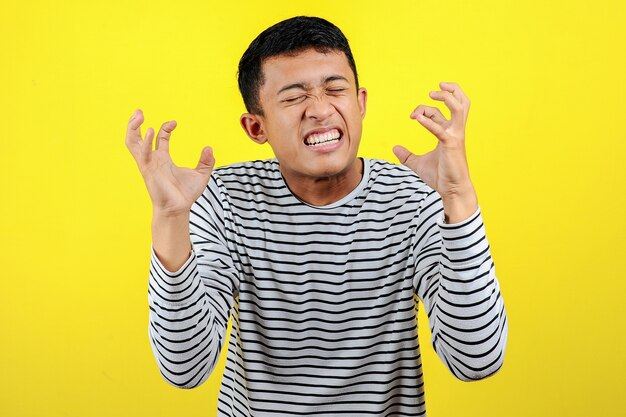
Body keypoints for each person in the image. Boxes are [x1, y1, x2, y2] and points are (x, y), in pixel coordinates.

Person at [125, 16, 507, 417]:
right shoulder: (222, 199)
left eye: (334, 89)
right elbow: (186, 369)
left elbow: (477, 360)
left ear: (360, 104)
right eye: (293, 97)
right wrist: (170, 218)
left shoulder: (415, 197)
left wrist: (459, 198)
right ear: (257, 127)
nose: (320, 110)